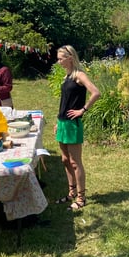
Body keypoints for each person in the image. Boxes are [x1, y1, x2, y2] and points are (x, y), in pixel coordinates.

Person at [54, 45, 101, 211]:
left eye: (61, 58)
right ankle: (71, 192)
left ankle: (81, 198)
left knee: (75, 162)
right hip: (63, 123)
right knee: (65, 160)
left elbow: (96, 92)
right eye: (58, 58)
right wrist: (58, 121)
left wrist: (83, 110)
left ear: (70, 58)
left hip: (73, 124)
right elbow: (65, 101)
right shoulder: (67, 76)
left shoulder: (79, 75)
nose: (59, 62)